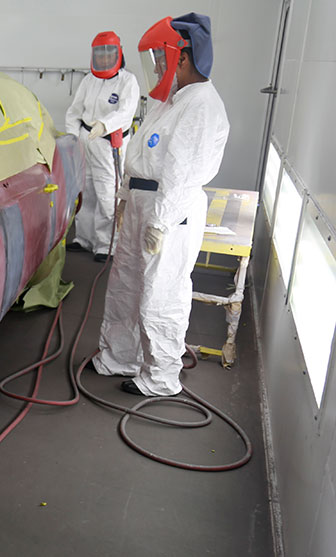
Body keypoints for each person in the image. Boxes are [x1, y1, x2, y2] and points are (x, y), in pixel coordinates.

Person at [91, 13, 229, 397]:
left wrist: (161, 221)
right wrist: (123, 199)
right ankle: (120, 357)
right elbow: (139, 154)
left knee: (160, 293)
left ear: (181, 57)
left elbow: (182, 172)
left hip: (168, 212)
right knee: (127, 285)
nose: (157, 67)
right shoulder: (170, 101)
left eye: (160, 58)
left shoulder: (200, 105)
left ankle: (160, 376)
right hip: (141, 204)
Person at [65, 31, 140, 262]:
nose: (104, 59)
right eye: (100, 54)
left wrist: (105, 125)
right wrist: (72, 138)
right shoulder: (89, 80)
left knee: (107, 194)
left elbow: (126, 112)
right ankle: (84, 239)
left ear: (118, 54)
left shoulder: (128, 81)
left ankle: (107, 244)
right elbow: (74, 111)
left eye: (109, 54)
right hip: (86, 141)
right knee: (85, 191)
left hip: (109, 145)